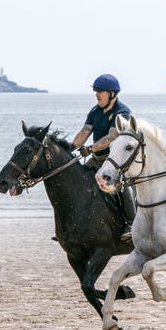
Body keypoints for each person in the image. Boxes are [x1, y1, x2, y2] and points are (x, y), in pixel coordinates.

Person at [70, 74, 135, 241]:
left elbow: (111, 138)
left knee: (120, 186)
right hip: (98, 158)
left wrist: (91, 148)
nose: (97, 95)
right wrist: (70, 147)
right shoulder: (95, 111)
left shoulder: (122, 112)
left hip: (115, 161)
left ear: (112, 94)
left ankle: (131, 223)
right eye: (96, 91)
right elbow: (85, 132)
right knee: (78, 182)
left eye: (101, 91)